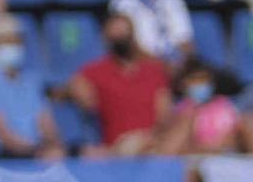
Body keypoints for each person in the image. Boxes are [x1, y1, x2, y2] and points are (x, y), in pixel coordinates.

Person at [67, 12, 174, 153]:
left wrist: (151, 138)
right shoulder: (95, 71)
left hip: (154, 143)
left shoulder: (154, 70)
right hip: (119, 148)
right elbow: (75, 88)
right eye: (115, 33)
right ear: (106, 37)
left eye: (124, 32)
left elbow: (164, 114)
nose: (120, 37)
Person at [0, 15, 63, 160]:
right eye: (6, 41)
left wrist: (53, 145)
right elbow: (3, 133)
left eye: (16, 41)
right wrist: (34, 152)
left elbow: (46, 124)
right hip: (5, 157)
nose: (13, 46)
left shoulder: (30, 82)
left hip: (33, 153)